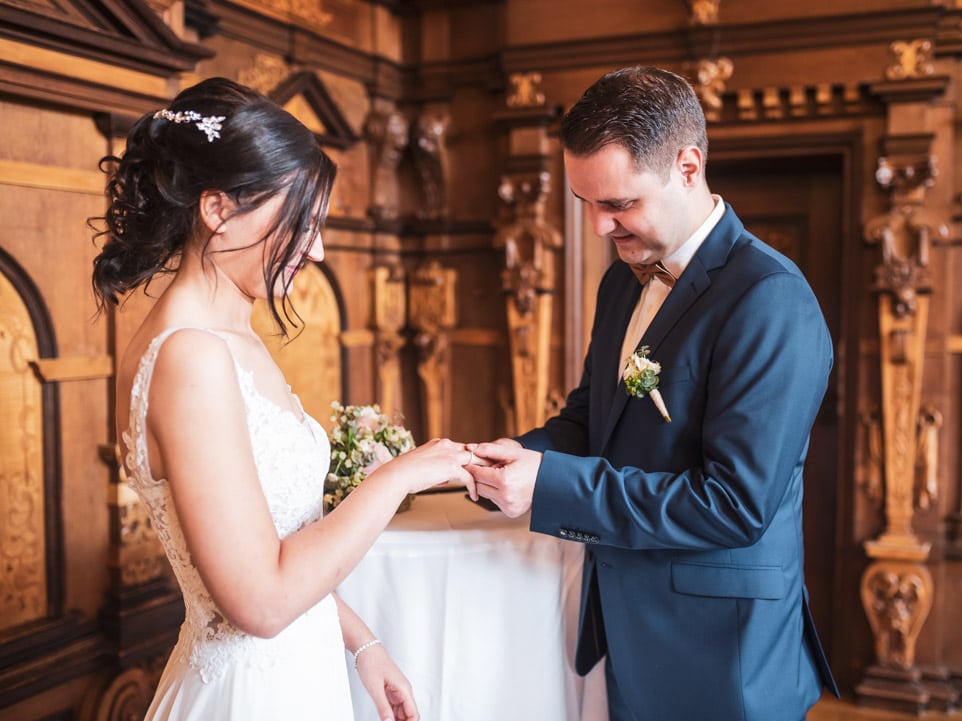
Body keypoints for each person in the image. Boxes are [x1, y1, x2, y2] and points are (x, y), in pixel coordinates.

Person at [91, 77, 474, 721]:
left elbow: (272, 542)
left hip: (299, 677)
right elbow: (258, 602)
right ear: (217, 209)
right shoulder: (189, 355)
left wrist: (362, 644)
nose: (317, 249)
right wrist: (398, 478)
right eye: (301, 223)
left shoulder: (229, 335)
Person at [466, 66, 840, 721]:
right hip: (625, 628)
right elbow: (591, 422)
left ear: (688, 165)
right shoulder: (622, 283)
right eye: (586, 202)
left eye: (618, 203)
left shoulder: (770, 299)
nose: (599, 228)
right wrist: (499, 458)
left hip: (723, 655)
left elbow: (733, 504)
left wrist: (549, 485)